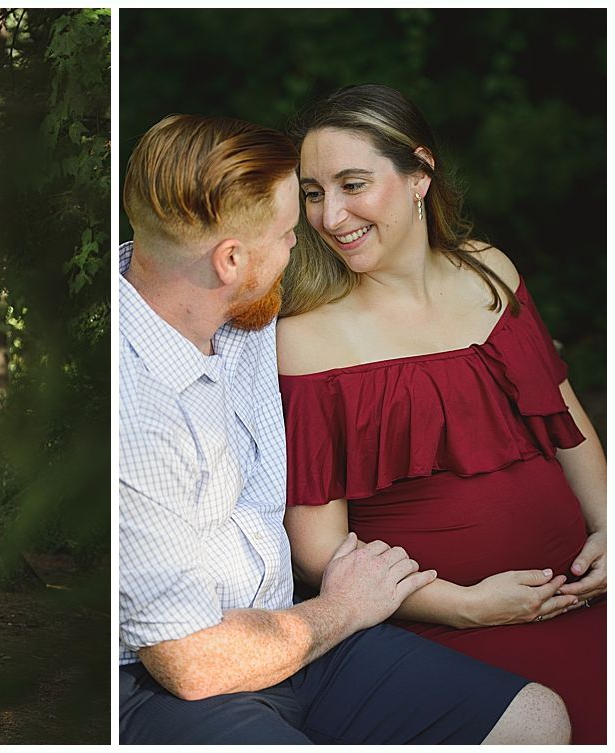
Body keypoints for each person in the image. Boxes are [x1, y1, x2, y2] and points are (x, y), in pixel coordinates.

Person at [118, 113, 570, 745]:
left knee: (535, 719)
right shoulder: (134, 414)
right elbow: (190, 663)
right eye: (288, 233)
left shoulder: (225, 303)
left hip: (296, 636)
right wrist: (347, 608)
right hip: (174, 680)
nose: (308, 240)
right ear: (229, 261)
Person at [277, 84, 606, 744]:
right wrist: (465, 608)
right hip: (447, 634)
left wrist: (611, 522)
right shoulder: (304, 339)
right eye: (313, 192)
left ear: (419, 174)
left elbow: (562, 417)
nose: (330, 214)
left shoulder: (491, 272)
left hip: (585, 591)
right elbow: (320, 552)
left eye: (352, 184)